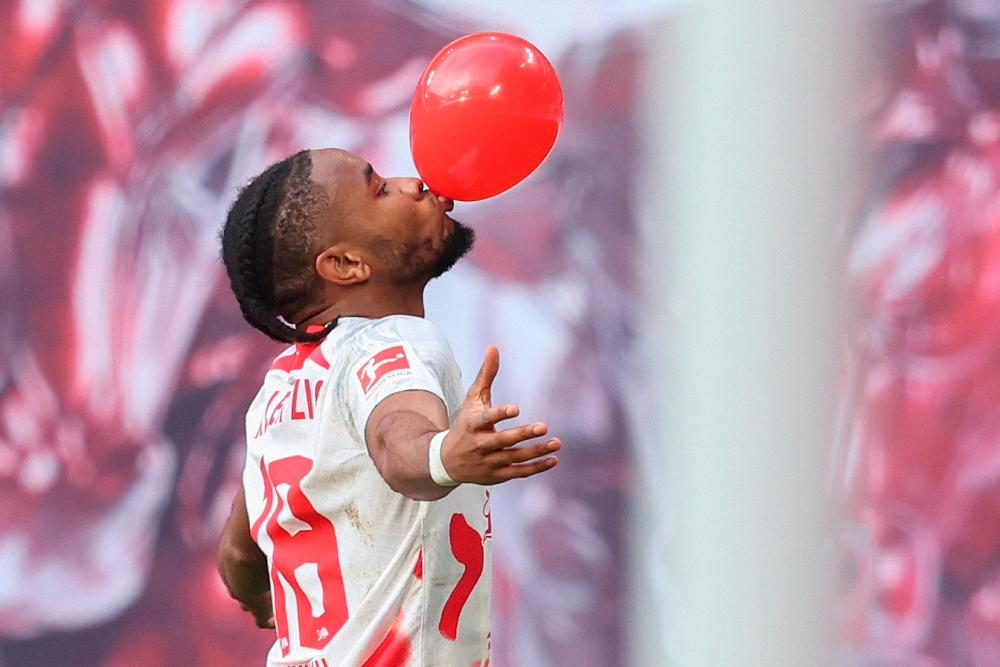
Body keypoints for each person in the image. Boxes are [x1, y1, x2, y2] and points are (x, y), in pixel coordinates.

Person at [216, 148, 562, 666]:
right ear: (347, 265)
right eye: (378, 188)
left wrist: (268, 601)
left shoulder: (279, 390)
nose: (412, 183)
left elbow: (239, 557)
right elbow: (396, 442)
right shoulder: (395, 342)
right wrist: (444, 456)